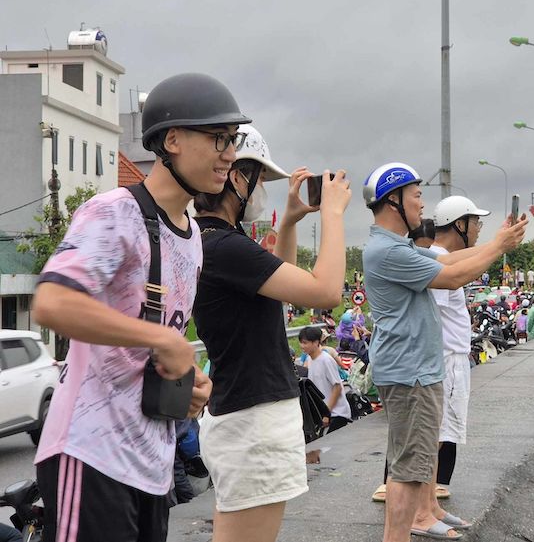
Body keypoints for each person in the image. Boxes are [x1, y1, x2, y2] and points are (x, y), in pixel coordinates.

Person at [30, 73, 238, 542]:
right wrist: (162, 338)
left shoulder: (191, 238)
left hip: (150, 464)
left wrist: (191, 383)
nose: (229, 152)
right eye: (218, 138)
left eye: (233, 139)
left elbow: (161, 340)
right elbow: (53, 300)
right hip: (90, 454)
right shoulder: (112, 212)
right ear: (173, 140)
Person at [192, 123, 351, 542]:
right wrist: (332, 216)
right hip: (253, 423)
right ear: (238, 176)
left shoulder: (215, 241)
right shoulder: (225, 248)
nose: (262, 191)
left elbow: (278, 291)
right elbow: (327, 291)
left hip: (242, 416)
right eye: (260, 179)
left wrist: (292, 222)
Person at [361, 162, 526, 542]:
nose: (422, 204)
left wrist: (496, 242)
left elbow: (450, 261)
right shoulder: (386, 252)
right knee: (408, 470)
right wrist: (498, 247)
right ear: (393, 201)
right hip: (409, 371)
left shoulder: (397, 246)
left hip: (415, 368)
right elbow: (452, 277)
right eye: (416, 195)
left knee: (412, 463)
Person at [429, 196, 491, 514]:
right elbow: (433, 319)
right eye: (476, 222)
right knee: (439, 433)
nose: (479, 229)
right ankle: (426, 500)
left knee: (443, 431)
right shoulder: (440, 261)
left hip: (449, 360)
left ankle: (429, 499)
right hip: (445, 360)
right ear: (460, 225)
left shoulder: (441, 257)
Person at [299, 327, 352, 433]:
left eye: (305, 343)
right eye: (301, 343)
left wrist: (327, 413)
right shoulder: (310, 359)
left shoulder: (326, 360)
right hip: (324, 414)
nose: (302, 346)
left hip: (337, 413)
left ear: (316, 342)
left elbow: (337, 387)